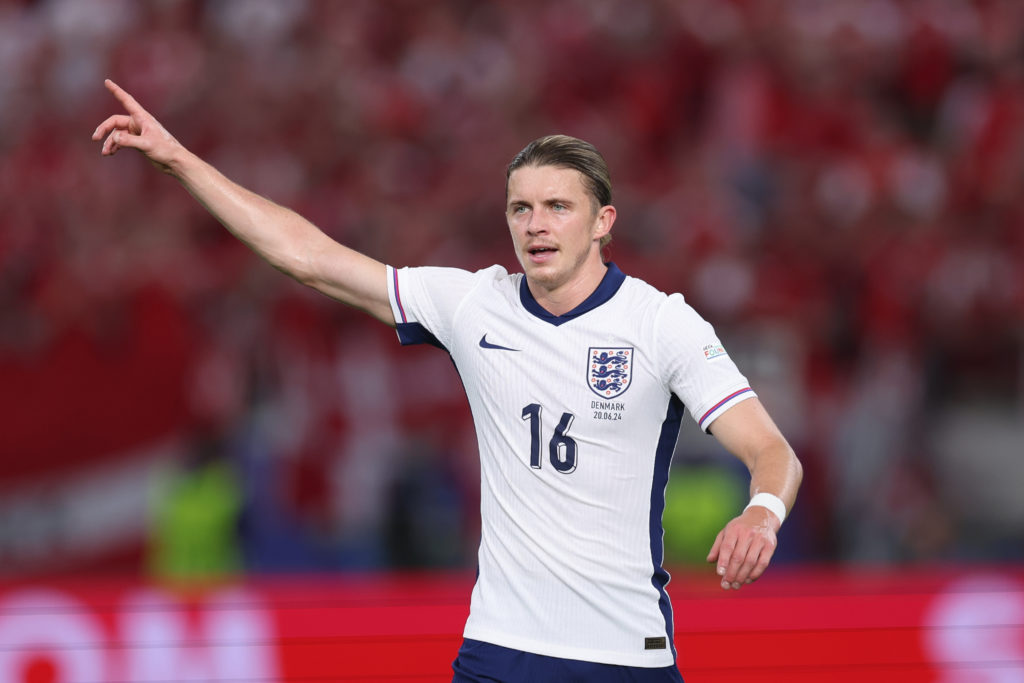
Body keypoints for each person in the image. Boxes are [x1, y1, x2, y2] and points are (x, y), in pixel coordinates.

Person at [93, 79, 802, 682]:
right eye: (521, 208)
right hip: (500, 648)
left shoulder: (661, 324)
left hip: (623, 653)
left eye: (559, 206)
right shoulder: (474, 303)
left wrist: (761, 513)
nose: (537, 225)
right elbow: (309, 256)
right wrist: (181, 160)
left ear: (602, 222)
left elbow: (773, 451)